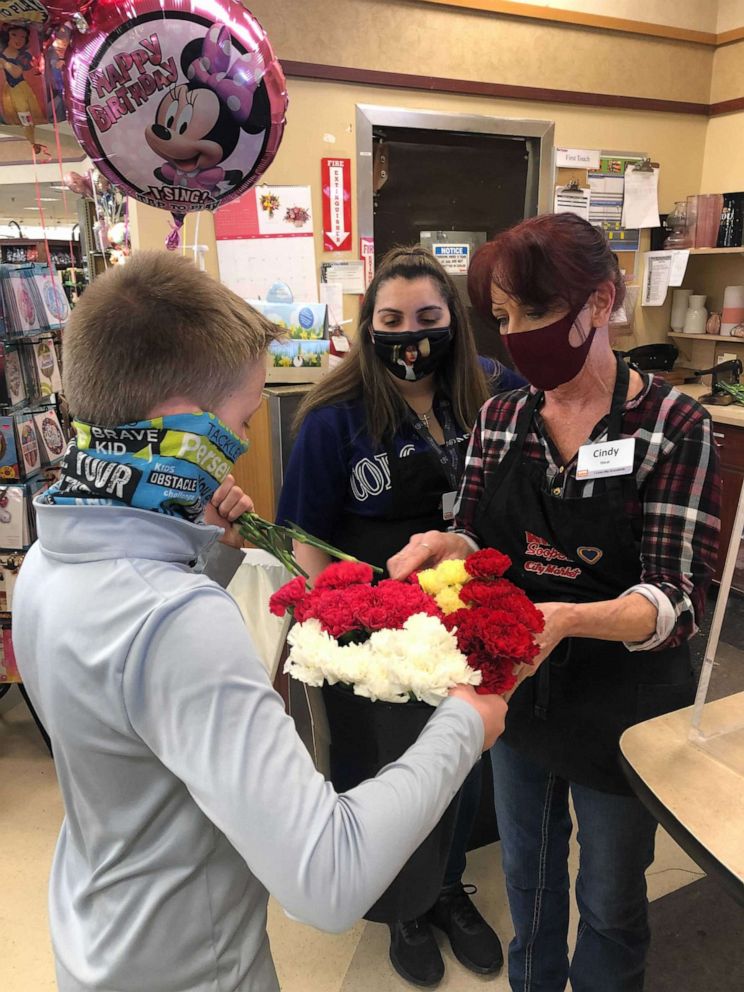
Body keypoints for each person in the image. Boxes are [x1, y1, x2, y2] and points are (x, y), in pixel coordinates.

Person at [12, 252, 508, 992]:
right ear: (188, 429)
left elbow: (127, 692)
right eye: (242, 419)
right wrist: (469, 720)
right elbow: (328, 876)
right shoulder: (178, 622)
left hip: (98, 929)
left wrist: (203, 549)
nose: (242, 445)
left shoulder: (48, 559)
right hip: (192, 967)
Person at [388, 213, 721, 992]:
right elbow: (481, 537)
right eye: (502, 318)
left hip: (625, 708)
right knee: (528, 883)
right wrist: (453, 551)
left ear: (600, 301)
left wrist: (567, 620)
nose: (516, 337)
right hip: (519, 695)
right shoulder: (503, 420)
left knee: (609, 896)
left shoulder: (672, 426)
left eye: (535, 314)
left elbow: (678, 598)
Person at [277, 245, 524, 987]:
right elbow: (305, 541)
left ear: (454, 321)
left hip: (465, 625)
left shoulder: (490, 395)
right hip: (377, 638)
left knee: (464, 760)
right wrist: (332, 631)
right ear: (366, 325)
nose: (409, 333)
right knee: (391, 771)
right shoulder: (333, 418)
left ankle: (447, 889)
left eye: (427, 317)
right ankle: (403, 905)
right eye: (390, 319)